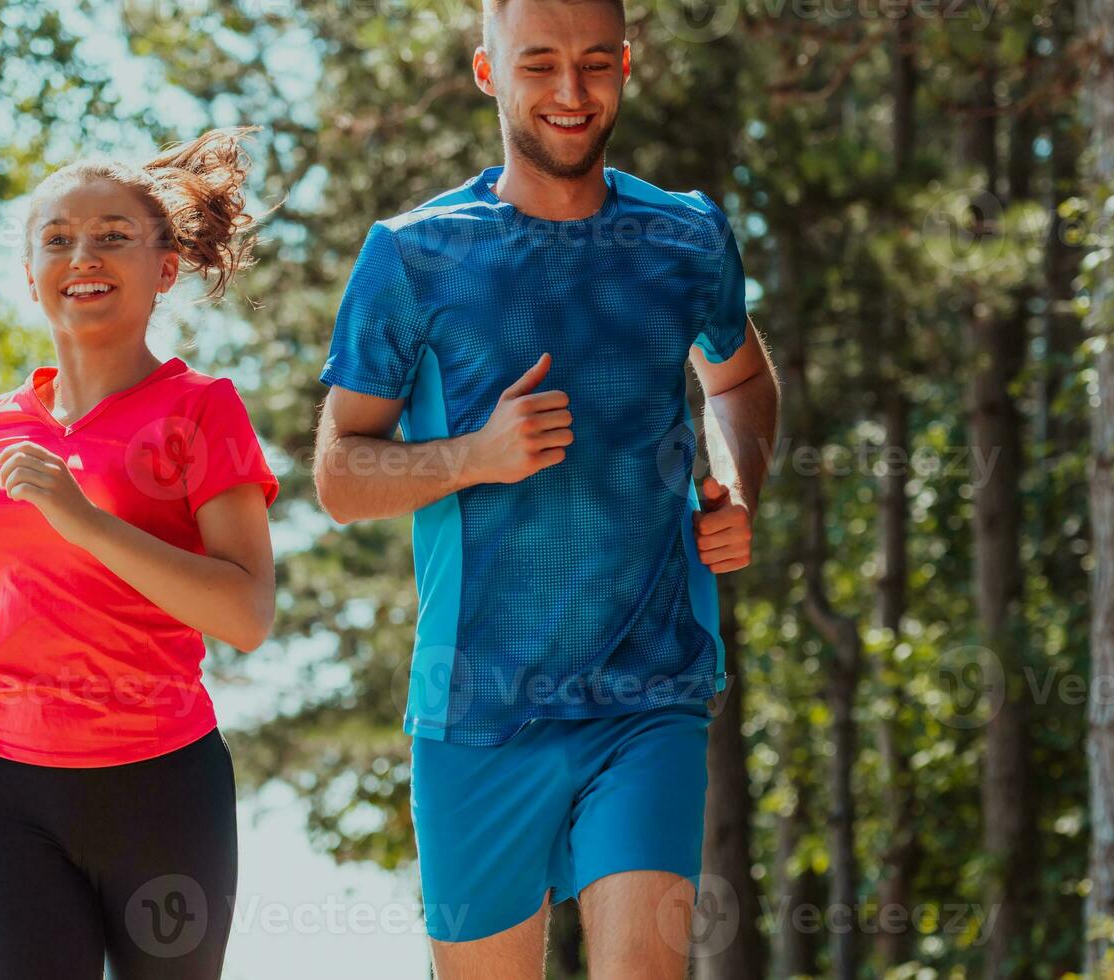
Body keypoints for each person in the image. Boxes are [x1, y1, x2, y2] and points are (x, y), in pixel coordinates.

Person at [313, 1, 779, 976]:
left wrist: (732, 482)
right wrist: (471, 456)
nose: (571, 92)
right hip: (476, 708)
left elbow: (737, 380)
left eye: (595, 63)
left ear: (625, 65)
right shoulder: (411, 254)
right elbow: (340, 473)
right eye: (540, 66)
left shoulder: (688, 235)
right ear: (489, 71)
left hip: (650, 687)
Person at [0, 127, 281, 980]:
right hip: (0, 783)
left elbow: (246, 612)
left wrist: (84, 520)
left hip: (159, 785)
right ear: (31, 274)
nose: (82, 254)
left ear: (164, 269)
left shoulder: (202, 411)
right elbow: (27, 572)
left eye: (113, 235)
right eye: (58, 239)